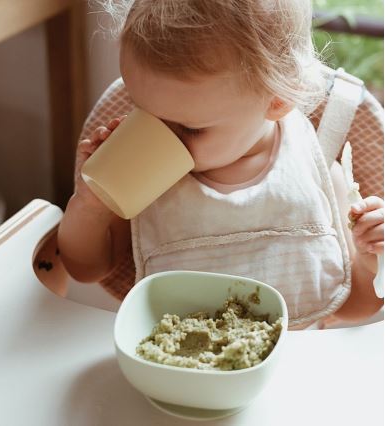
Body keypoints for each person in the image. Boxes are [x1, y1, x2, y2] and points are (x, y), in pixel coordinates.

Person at [58, 0, 384, 330]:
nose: (161, 137)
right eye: (143, 113)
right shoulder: (139, 176)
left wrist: (370, 263)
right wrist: (91, 207)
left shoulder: (313, 171)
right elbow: (86, 269)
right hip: (177, 370)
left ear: (278, 100)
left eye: (190, 129)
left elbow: (349, 307)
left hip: (295, 370)